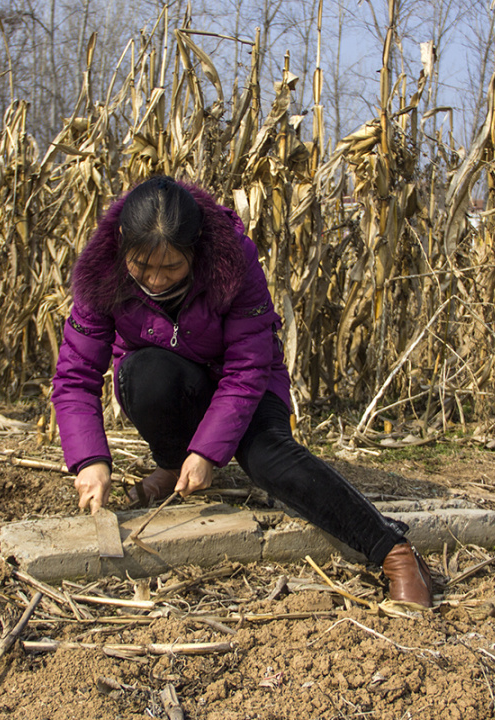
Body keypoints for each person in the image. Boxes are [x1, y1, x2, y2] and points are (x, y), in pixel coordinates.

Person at [50, 176, 435, 607]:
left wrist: (208, 452)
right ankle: (174, 463)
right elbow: (75, 376)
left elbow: (247, 368)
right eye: (142, 266)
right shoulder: (102, 272)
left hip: (245, 384)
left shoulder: (233, 261)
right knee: (145, 376)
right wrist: (91, 461)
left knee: (268, 458)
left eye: (171, 267)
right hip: (171, 380)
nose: (155, 280)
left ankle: (393, 551)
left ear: (195, 247)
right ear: (122, 241)